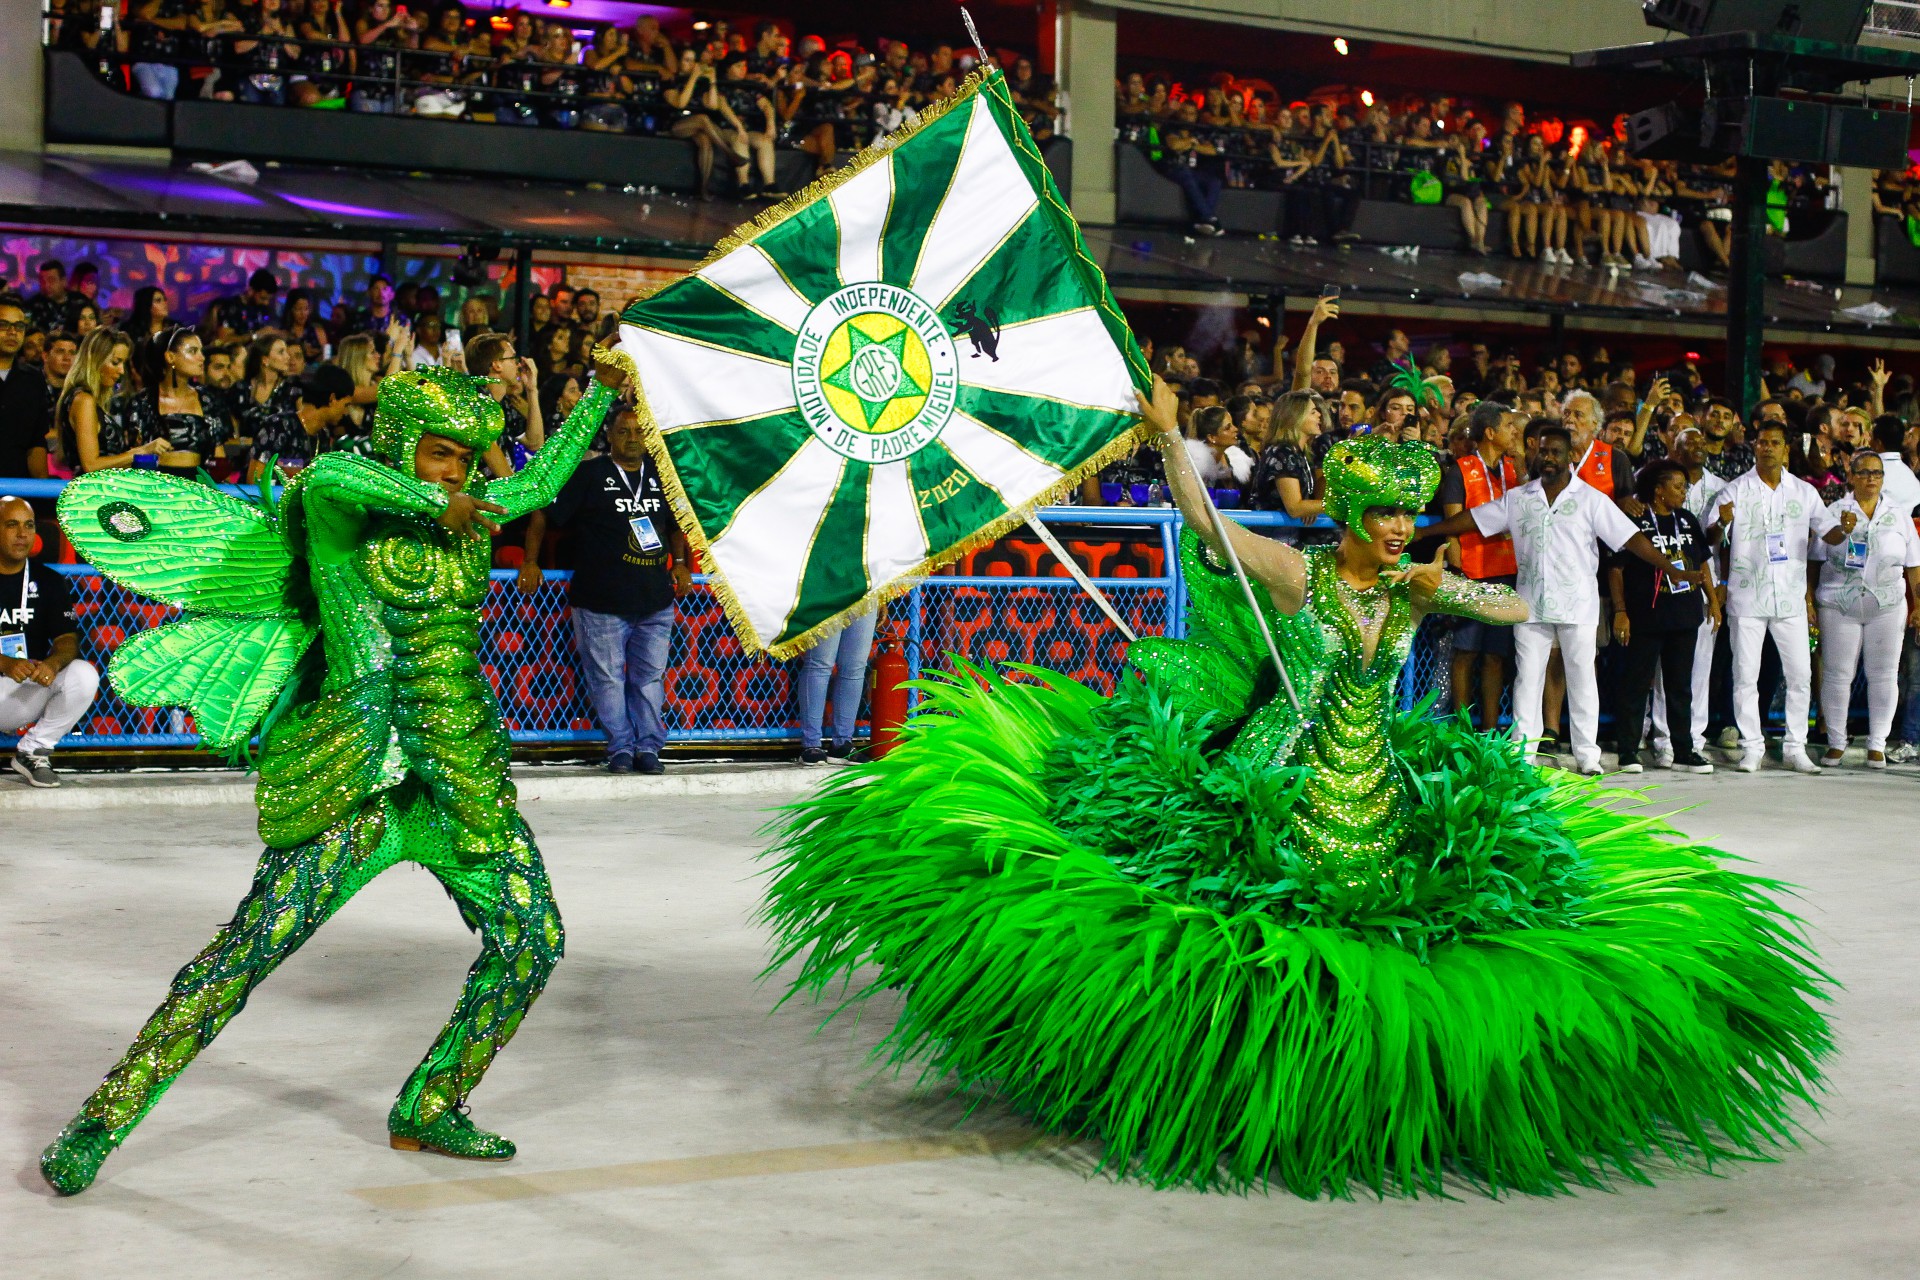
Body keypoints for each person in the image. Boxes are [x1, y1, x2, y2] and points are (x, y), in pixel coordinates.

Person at [764, 373, 1826, 1198]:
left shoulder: (1409, 583)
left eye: (1410, 517)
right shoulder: (1308, 573)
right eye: (1387, 518)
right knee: (1246, 883)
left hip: (1374, 767)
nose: (1400, 530)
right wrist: (1172, 437)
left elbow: (1501, 608)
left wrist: (1469, 581)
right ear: (1355, 514)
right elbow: (1212, 530)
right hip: (1281, 756)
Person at [38, 361, 625, 1195]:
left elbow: (549, 476)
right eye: (439, 452)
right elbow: (332, 473)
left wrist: (600, 392)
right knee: (243, 957)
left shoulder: (469, 512)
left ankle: (432, 1103)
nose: (455, 470)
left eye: (466, 456)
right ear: (401, 443)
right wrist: (434, 502)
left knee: (534, 939)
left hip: (456, 783)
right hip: (353, 782)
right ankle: (100, 1122)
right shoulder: (341, 510)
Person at [1425, 425, 1706, 775]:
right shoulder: (1520, 497)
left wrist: (1672, 570)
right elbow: (1474, 520)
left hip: (1578, 606)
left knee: (1582, 679)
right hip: (1531, 604)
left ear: (1570, 456)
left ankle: (1587, 755)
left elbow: (1632, 539)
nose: (1548, 458)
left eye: (1556, 451)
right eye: (1542, 451)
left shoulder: (1591, 499)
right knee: (1527, 678)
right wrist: (1423, 532)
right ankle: (1522, 754)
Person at [533, 405, 690, 775]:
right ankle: (620, 748)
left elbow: (676, 523)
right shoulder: (590, 474)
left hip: (654, 599)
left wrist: (681, 563)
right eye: (623, 431)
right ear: (610, 436)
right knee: (608, 679)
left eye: (639, 432)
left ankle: (649, 748)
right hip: (600, 601)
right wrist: (529, 559)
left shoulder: (662, 477)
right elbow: (544, 509)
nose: (632, 438)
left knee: (649, 678)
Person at [1708, 420, 1850, 774]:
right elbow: (1709, 536)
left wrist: (1844, 530)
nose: (1767, 448)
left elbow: (1827, 535)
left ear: (1786, 449)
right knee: (1745, 674)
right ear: (1754, 446)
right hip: (1747, 597)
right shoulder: (1735, 490)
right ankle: (1752, 746)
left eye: (1774, 443)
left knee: (1800, 674)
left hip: (1789, 598)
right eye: (1762, 442)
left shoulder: (1803, 492)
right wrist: (1721, 523)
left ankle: (1795, 747)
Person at [1608, 460, 1720, 774]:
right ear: (1658, 489)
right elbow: (1616, 570)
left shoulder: (1687, 520)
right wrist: (1620, 611)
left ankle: (1684, 751)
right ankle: (1628, 752)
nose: (1684, 493)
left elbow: (1702, 563)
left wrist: (1712, 601)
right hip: (1645, 615)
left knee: (1680, 686)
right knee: (1636, 684)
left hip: (1684, 614)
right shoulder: (1636, 519)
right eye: (1678, 486)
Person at [1812, 452, 1920, 768]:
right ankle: (1835, 742)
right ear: (1852, 476)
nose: (1871, 479)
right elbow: (1814, 561)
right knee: (1836, 673)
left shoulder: (1898, 515)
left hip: (1887, 604)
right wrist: (1809, 600)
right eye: (1864, 473)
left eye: (1877, 473)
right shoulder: (1833, 512)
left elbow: (1914, 565)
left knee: (1884, 673)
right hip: (1838, 602)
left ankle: (1876, 744)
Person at [0, 497, 100, 787]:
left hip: (23, 689)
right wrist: (5, 662)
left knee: (83, 673)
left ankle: (33, 751)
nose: (22, 534)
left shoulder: (48, 580)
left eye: (29, 525)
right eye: (11, 525)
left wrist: (53, 664)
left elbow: (66, 638)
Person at [1438, 401, 1522, 732]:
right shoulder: (1460, 469)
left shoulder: (1514, 472)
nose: (1514, 432)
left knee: (1495, 657)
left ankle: (1488, 734)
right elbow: (1451, 525)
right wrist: (1457, 574)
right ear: (1490, 433)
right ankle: (1461, 732)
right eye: (1509, 426)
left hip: (1506, 572)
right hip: (1470, 573)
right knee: (1466, 653)